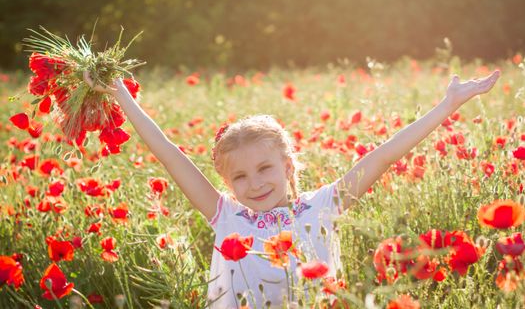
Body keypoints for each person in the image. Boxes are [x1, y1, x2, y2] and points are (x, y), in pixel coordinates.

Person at [84, 69, 500, 308]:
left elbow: (384, 155)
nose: (255, 183)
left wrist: (447, 105)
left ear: (287, 165)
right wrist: (121, 93)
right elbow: (171, 156)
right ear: (227, 183)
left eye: (265, 168)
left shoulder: (322, 206)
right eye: (240, 177)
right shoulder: (225, 214)